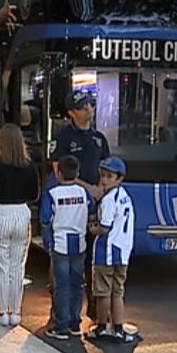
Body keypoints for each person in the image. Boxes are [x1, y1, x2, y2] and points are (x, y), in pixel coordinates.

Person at [52, 90, 110, 321]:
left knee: (92, 258)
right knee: (64, 261)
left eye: (90, 106)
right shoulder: (64, 137)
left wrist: (101, 188)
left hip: (94, 205)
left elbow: (106, 168)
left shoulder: (99, 139)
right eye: (82, 108)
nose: (89, 110)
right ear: (71, 113)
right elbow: (59, 172)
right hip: (71, 207)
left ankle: (94, 307)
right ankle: (60, 312)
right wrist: (88, 188)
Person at [0, 123, 39, 328]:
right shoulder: (29, 166)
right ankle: (15, 312)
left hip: (0, 212)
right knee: (18, 265)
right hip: (21, 212)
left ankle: (1, 311)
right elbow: (34, 195)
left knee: (1, 265)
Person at [40, 155, 96, 340]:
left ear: (58, 173)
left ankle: (61, 326)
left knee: (61, 287)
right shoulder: (83, 193)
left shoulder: (53, 194)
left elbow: (45, 219)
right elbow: (92, 215)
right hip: (80, 243)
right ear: (77, 173)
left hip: (60, 244)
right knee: (77, 285)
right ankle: (75, 323)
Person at [87, 157, 136, 343]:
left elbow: (104, 227)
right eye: (103, 176)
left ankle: (101, 327)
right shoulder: (124, 196)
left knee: (103, 292)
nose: (104, 180)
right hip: (123, 250)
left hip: (106, 251)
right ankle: (118, 327)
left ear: (119, 178)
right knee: (118, 291)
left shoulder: (108, 200)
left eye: (109, 176)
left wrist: (92, 229)